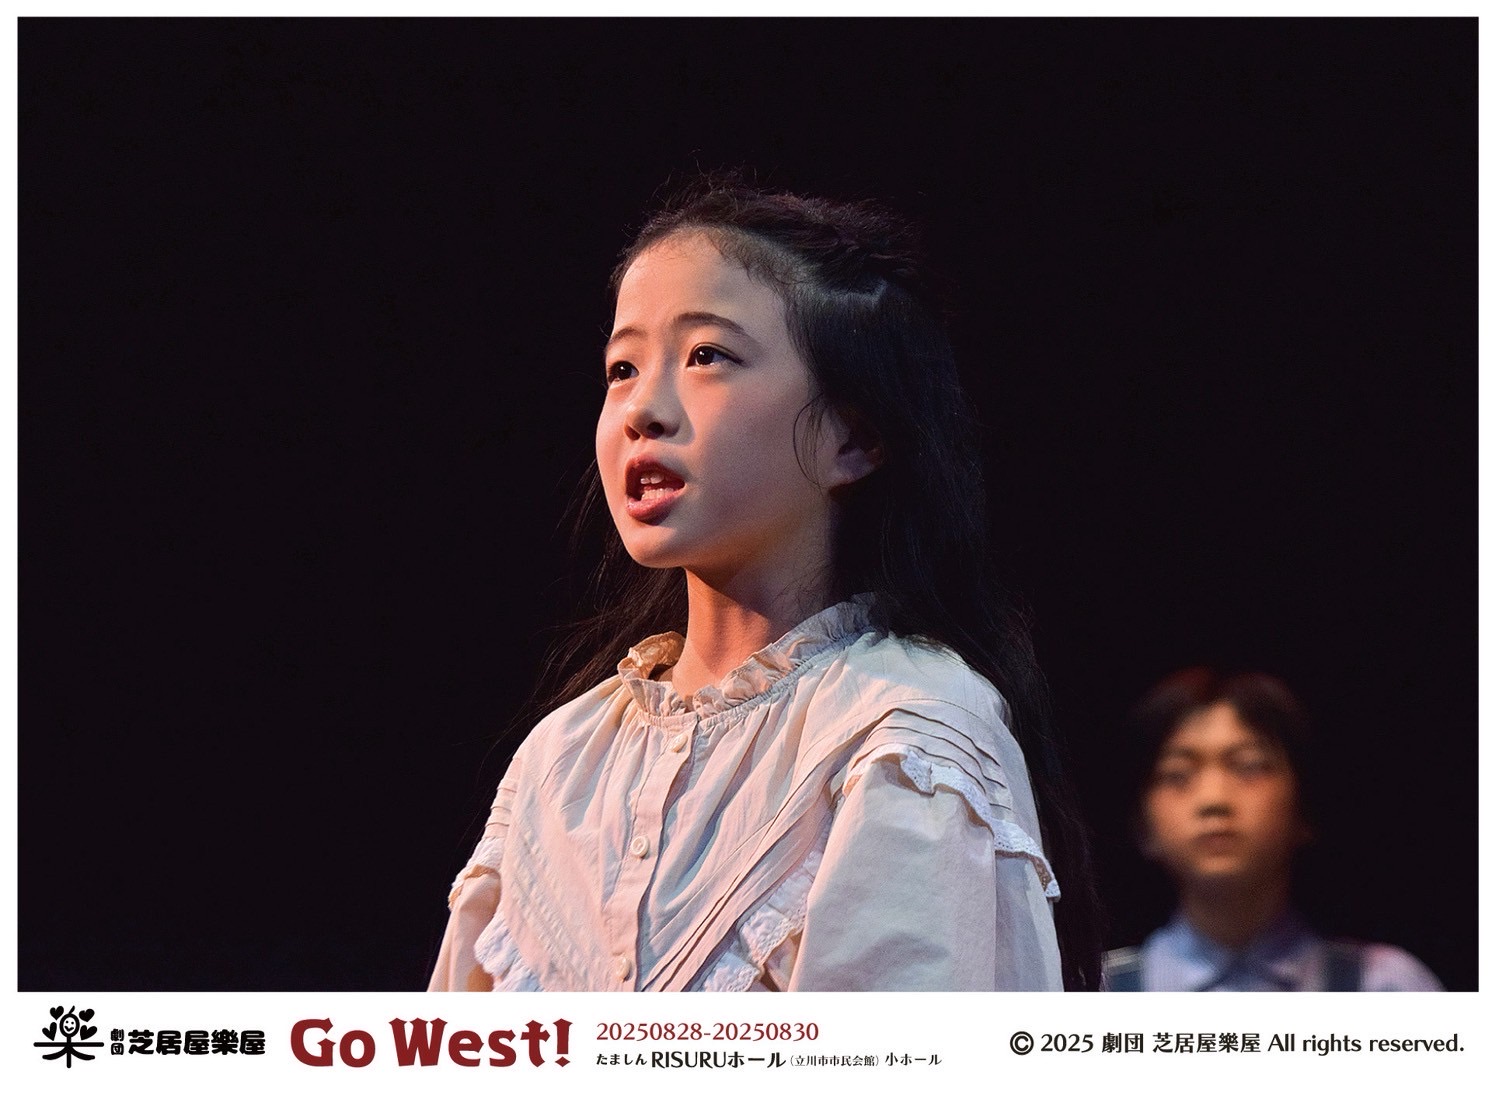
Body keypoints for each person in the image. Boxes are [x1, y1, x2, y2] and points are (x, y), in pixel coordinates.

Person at [428, 177, 1101, 991]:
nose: (643, 410)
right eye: (622, 368)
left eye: (707, 356)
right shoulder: (559, 760)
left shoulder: (905, 731)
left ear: (852, 438)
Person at [1104, 668, 1442, 991]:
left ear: (1304, 807)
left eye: (1249, 766)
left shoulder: (1382, 986)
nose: (1213, 799)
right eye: (1177, 774)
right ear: (1142, 823)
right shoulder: (1096, 989)